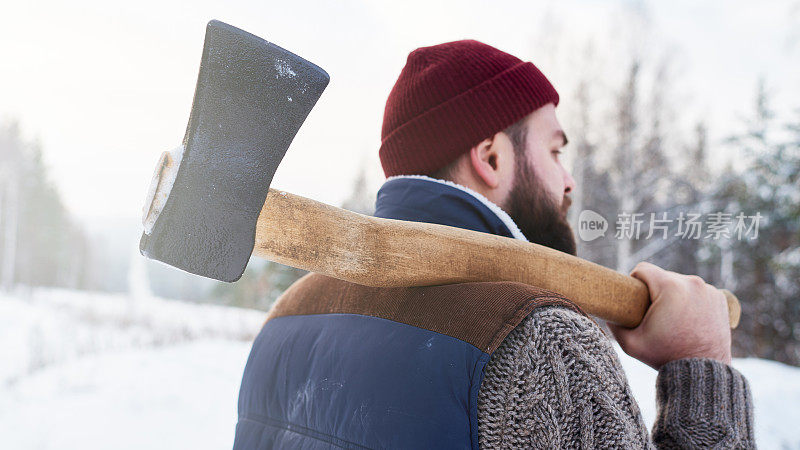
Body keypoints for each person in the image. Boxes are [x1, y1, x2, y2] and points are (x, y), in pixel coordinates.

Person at [233, 40, 754, 449]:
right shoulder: (542, 340)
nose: (569, 182)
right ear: (492, 157)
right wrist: (700, 365)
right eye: (555, 151)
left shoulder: (290, 315)